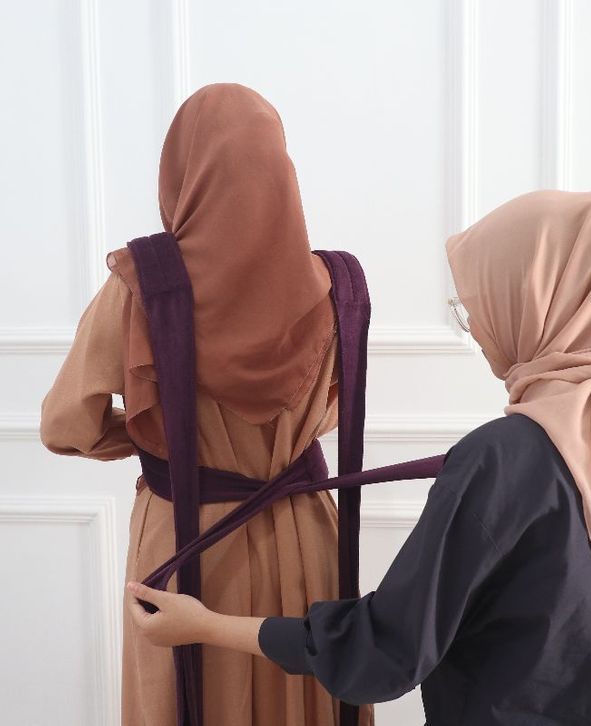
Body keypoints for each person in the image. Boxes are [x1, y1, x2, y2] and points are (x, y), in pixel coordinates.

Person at [128, 190, 591, 725]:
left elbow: (387, 649)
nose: (476, 327)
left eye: (481, 303)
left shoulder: (503, 458)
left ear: (539, 302)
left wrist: (205, 626)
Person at [40, 83, 373, 726]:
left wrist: (155, 428)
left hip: (190, 538)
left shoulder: (142, 285)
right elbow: (330, 412)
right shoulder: (335, 285)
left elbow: (65, 425)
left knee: (191, 697)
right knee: (304, 685)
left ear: (181, 172)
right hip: (307, 534)